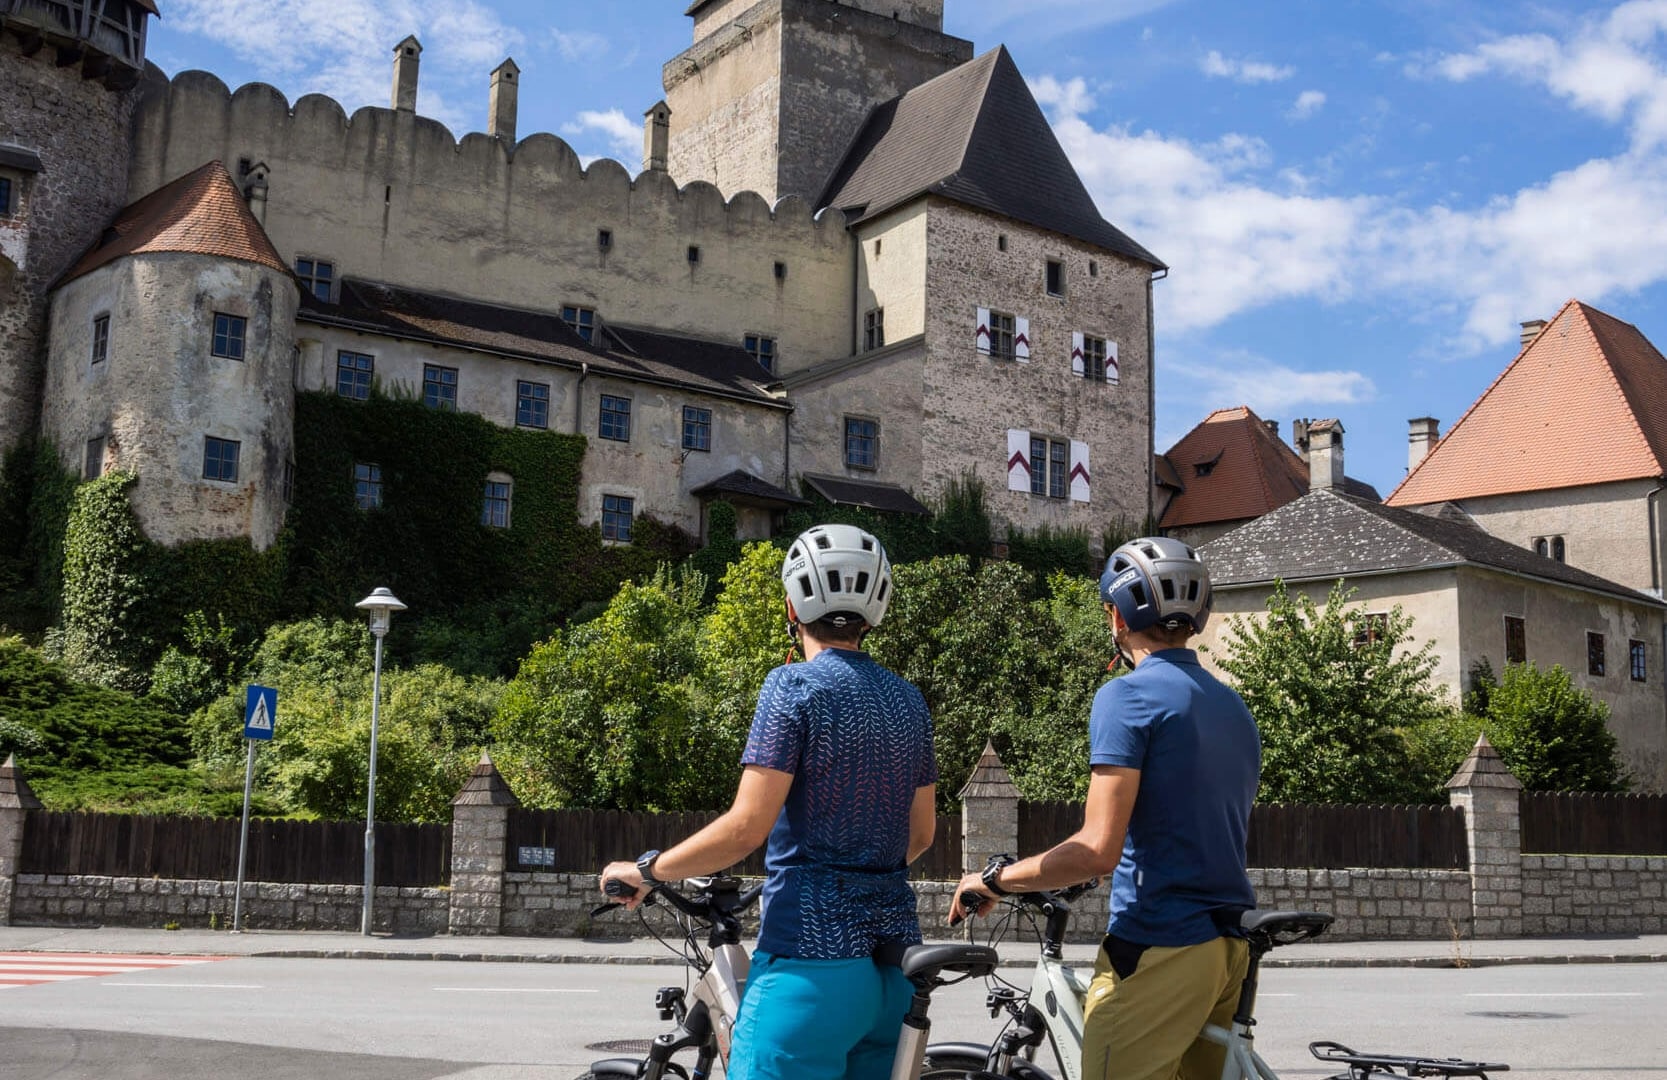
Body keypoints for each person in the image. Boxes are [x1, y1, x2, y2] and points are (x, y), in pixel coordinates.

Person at [599, 524, 938, 1080]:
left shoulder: (793, 687)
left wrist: (647, 870)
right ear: (875, 610)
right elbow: (919, 835)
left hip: (812, 966)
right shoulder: (909, 701)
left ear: (792, 604)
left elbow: (744, 829)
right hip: (895, 975)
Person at [949, 536, 1260, 1080]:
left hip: (1163, 944)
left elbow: (1097, 849)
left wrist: (996, 879)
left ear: (1117, 615)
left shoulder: (1127, 696)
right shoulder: (1231, 705)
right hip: (1227, 948)